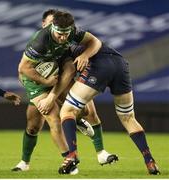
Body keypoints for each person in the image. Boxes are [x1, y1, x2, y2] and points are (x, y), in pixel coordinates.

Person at [36, 11, 160, 175]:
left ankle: (72, 155)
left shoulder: (56, 40)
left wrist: (50, 95)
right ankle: (150, 161)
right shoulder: (67, 35)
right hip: (120, 64)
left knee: (67, 110)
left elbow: (92, 46)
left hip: (99, 65)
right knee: (128, 117)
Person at [12, 9, 117, 173]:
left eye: (65, 34)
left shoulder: (71, 33)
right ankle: (68, 160)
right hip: (35, 81)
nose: (63, 38)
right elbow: (23, 68)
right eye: (58, 33)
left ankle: (81, 128)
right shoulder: (40, 42)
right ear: (49, 26)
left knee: (84, 109)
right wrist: (45, 81)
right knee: (47, 120)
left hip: (57, 75)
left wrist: (85, 55)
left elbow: (94, 43)